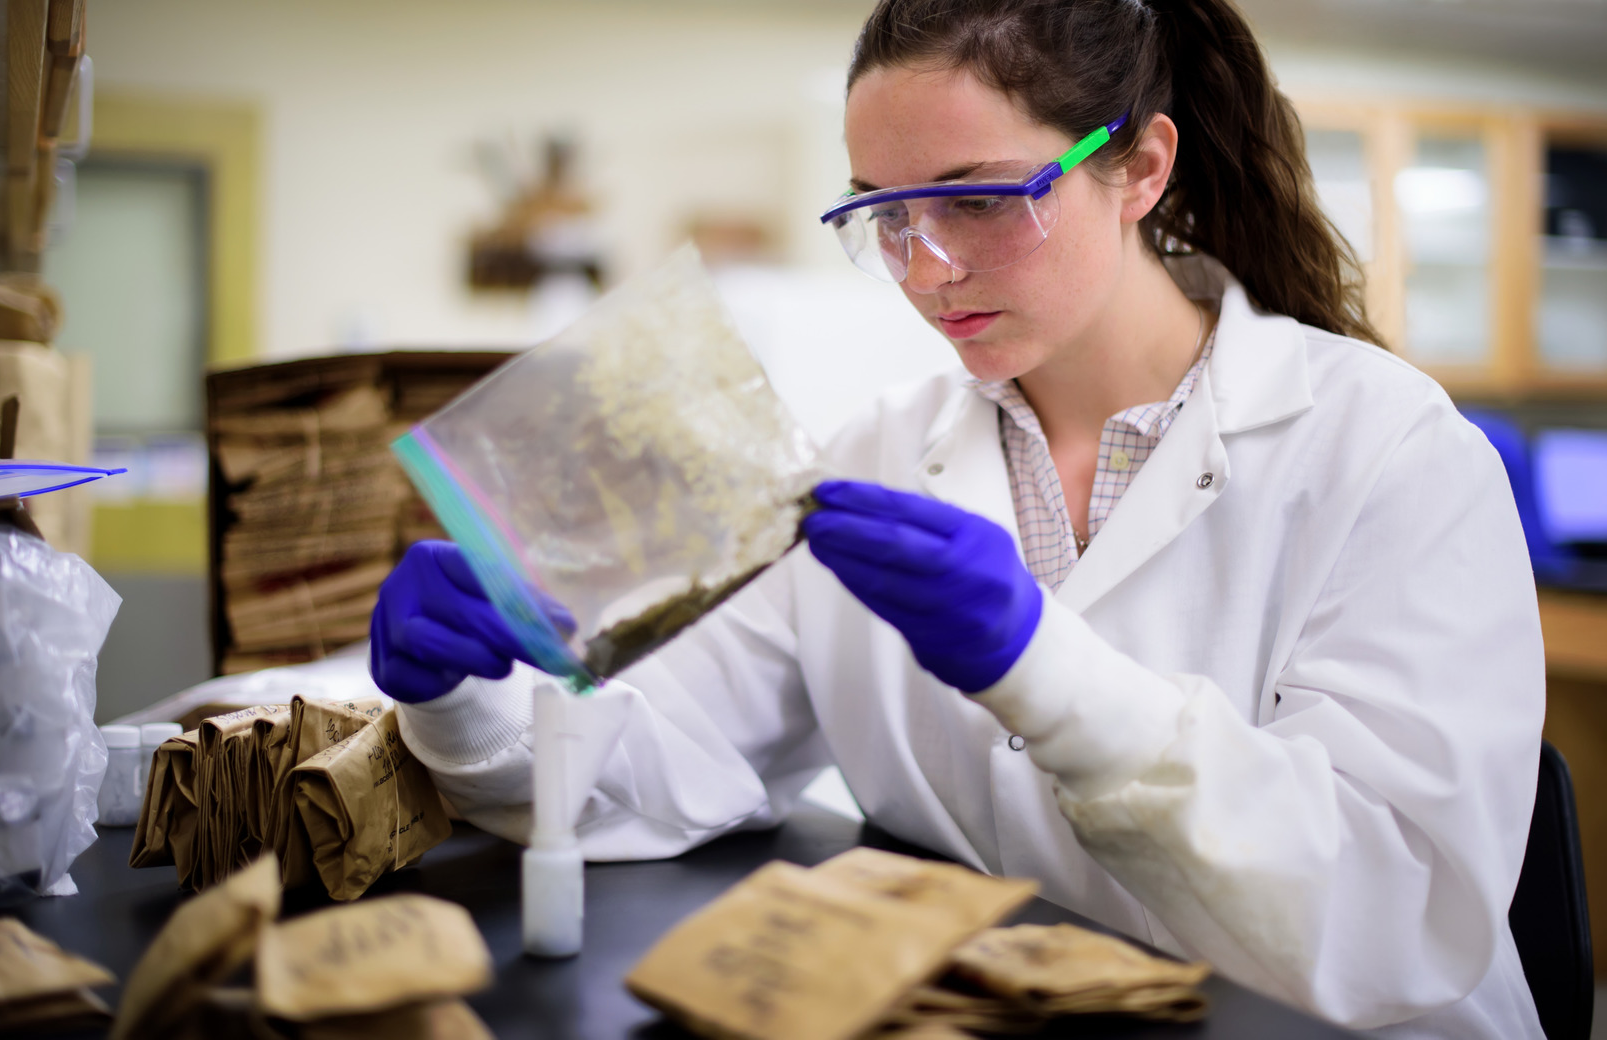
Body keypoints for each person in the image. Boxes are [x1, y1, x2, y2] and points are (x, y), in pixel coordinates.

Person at [369, 1, 1544, 1036]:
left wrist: (1045, 671)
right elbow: (672, 764)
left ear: (1139, 168)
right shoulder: (878, 454)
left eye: (979, 200)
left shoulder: (1390, 451)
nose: (927, 270)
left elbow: (1398, 917)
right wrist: (466, 707)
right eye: (885, 214)